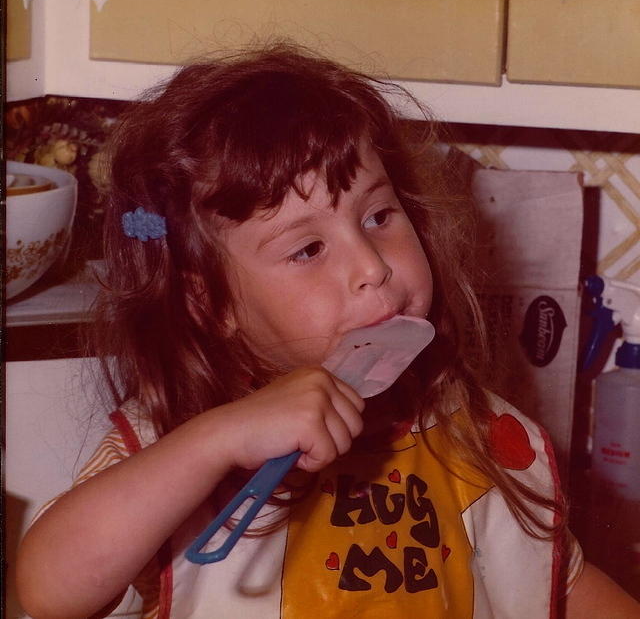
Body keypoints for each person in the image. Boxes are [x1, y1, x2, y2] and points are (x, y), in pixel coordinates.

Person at [16, 44, 639, 619]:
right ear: (211, 303)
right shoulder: (175, 442)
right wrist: (215, 442)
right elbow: (48, 591)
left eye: (378, 215)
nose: (372, 266)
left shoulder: (474, 430)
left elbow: (557, 582)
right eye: (308, 248)